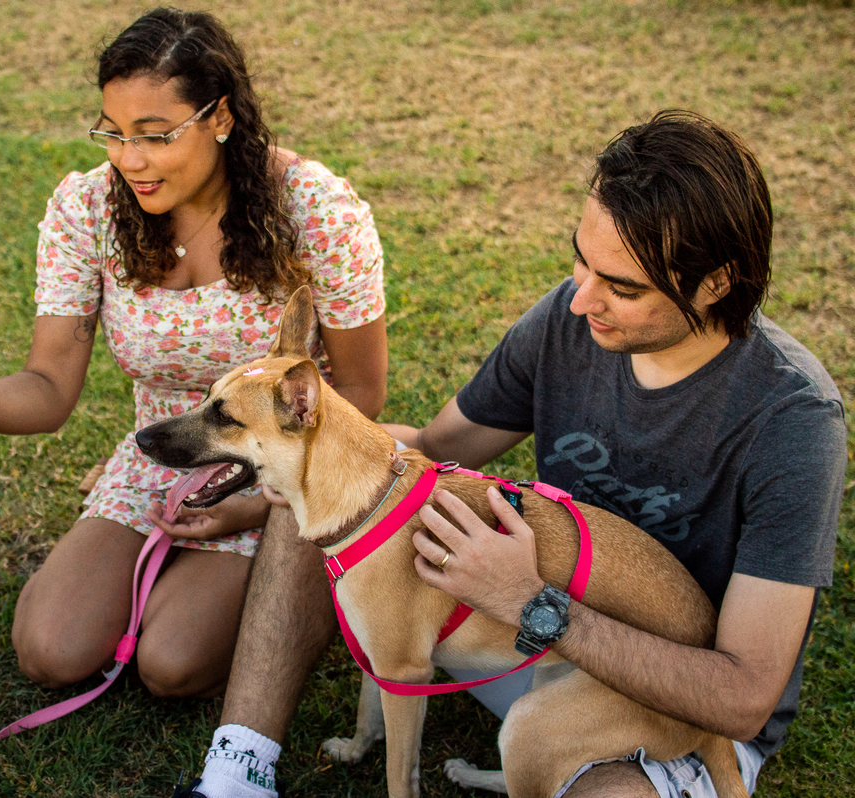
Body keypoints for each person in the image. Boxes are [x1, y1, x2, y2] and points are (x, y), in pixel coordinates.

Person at [182, 110, 844, 798]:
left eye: (623, 286)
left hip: (672, 700)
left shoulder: (793, 421)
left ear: (715, 283)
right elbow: (431, 448)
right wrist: (261, 493)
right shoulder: (570, 317)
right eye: (581, 259)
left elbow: (741, 697)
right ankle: (239, 768)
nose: (582, 299)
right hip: (519, 643)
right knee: (326, 471)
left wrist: (531, 600)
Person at [0, 7, 387, 702]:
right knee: (51, 650)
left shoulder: (316, 210)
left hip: (279, 468)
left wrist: (257, 505)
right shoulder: (88, 211)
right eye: (114, 134)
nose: (130, 160)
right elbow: (46, 387)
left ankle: (291, 588)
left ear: (220, 117)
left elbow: (361, 392)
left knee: (169, 665)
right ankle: (149, 566)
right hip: (161, 451)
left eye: (156, 136)